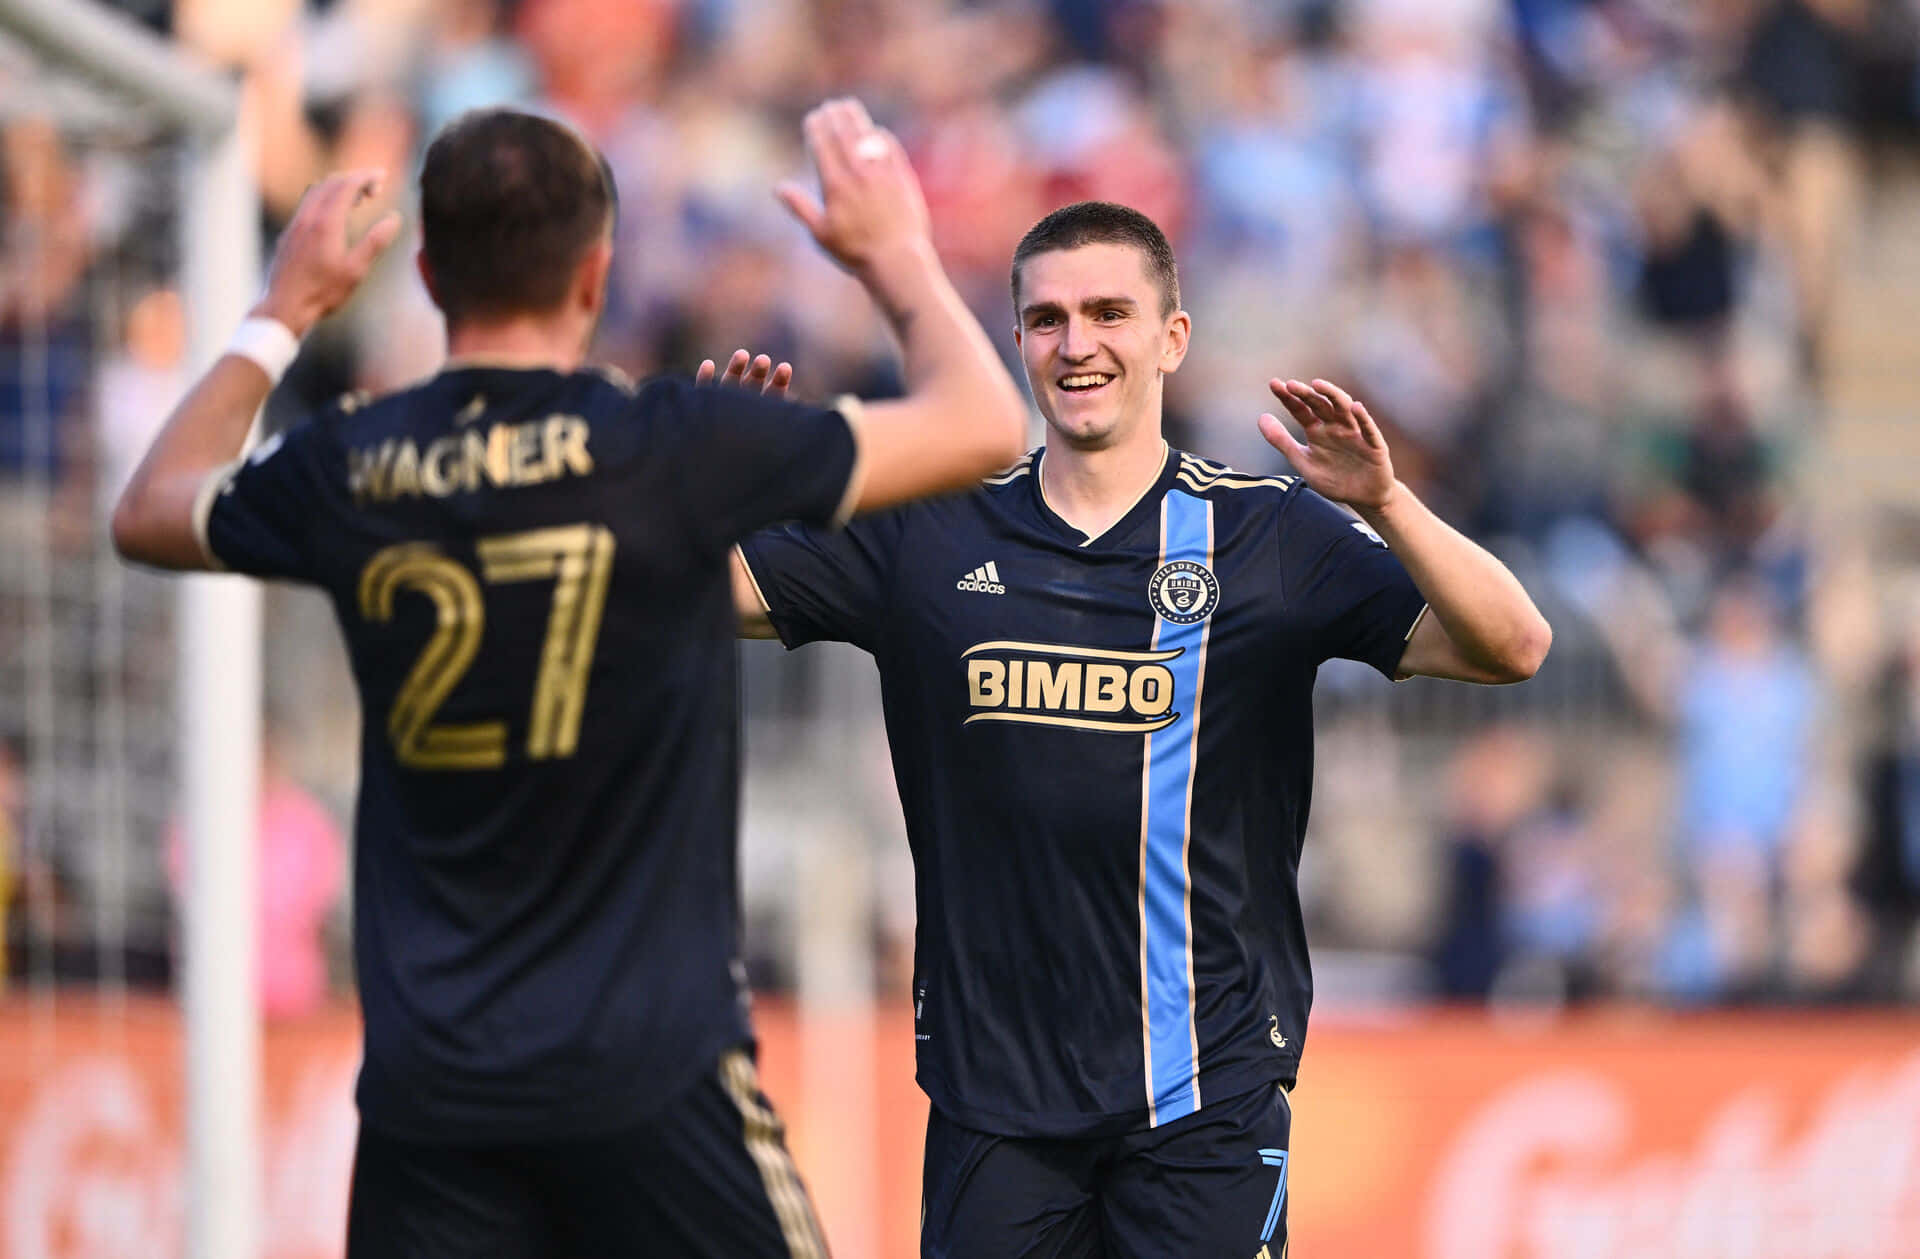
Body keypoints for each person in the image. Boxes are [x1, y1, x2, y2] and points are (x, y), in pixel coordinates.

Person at [111, 101, 1026, 1258]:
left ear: (431, 271)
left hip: (431, 1094)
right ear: (596, 275)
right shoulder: (674, 443)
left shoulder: (352, 459)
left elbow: (148, 509)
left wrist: (281, 310)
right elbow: (986, 422)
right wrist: (892, 254)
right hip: (651, 1077)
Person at [731, 201, 1551, 1257]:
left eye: (1110, 312)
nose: (1078, 344)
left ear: (1172, 338)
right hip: (997, 1097)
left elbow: (1512, 642)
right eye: (1047, 319)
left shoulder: (1265, 533)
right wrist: (705, 481)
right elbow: (695, 592)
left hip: (1203, 1089)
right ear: (1018, 340)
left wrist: (1387, 501)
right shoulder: (930, 527)